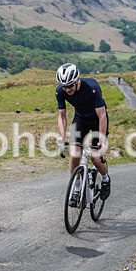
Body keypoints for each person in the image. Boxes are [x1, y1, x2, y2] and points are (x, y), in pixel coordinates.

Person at [55, 63, 110, 205]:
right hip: (80, 119)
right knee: (74, 154)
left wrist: (102, 138)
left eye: (70, 86)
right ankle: (77, 189)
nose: (67, 89)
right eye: (64, 86)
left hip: (97, 120)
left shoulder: (91, 88)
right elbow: (62, 116)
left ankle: (105, 179)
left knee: (96, 158)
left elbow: (102, 115)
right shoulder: (60, 91)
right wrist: (62, 137)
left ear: (77, 80)